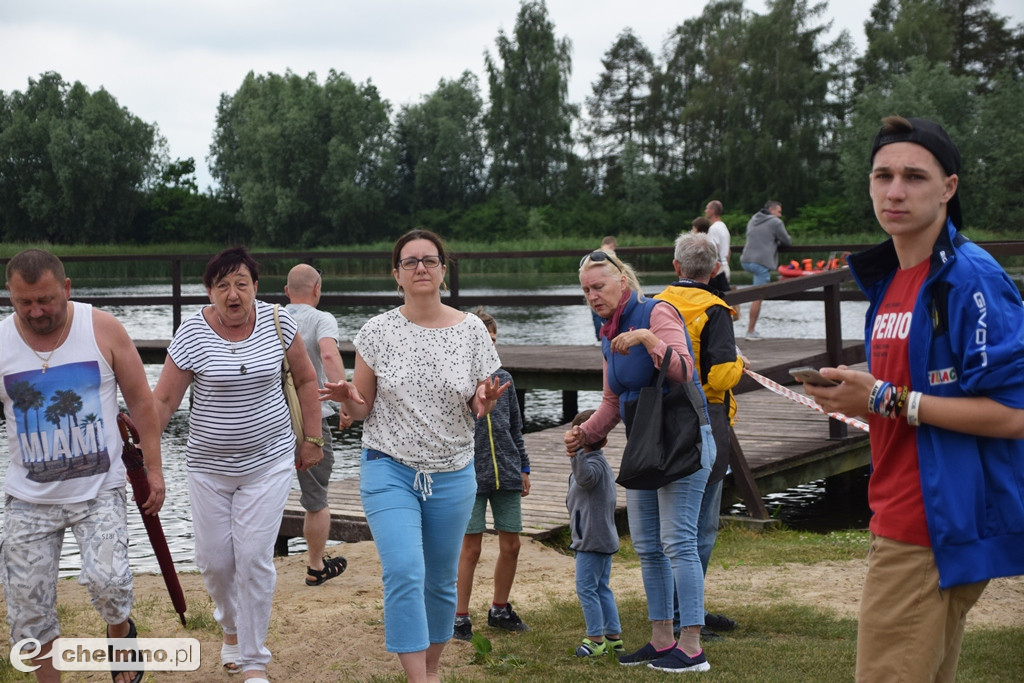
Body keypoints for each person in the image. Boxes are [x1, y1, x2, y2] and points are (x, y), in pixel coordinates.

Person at [800, 116, 1024, 682]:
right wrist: (859, 397)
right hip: (900, 509)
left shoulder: (969, 278)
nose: (895, 191)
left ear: (948, 187)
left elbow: (1013, 415)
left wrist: (885, 399)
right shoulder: (894, 278)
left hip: (930, 524)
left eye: (914, 177)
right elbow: (903, 393)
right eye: (883, 175)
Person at [318, 229, 508, 683]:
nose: (420, 268)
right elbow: (361, 407)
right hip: (388, 467)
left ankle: (432, 669)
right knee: (404, 569)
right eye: (410, 262)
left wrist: (483, 401)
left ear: (444, 269)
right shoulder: (378, 331)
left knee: (440, 581)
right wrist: (348, 395)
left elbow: (480, 400)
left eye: (429, 259)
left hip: (453, 472)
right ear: (396, 275)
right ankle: (417, 679)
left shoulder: (472, 332)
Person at [153, 247, 323, 683]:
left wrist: (312, 440)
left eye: (241, 283)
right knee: (214, 561)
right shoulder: (191, 332)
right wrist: (141, 443)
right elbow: (166, 400)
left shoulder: (278, 322)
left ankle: (253, 660)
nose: (233, 294)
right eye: (222, 285)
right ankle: (229, 625)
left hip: (269, 462)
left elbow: (305, 378)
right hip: (208, 468)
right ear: (209, 291)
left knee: (253, 558)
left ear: (256, 288)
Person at [0, 248, 164, 683]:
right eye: (24, 302)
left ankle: (120, 630)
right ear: (9, 296)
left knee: (110, 585)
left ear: (67, 288)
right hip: (28, 498)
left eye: (46, 300)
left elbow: (142, 403)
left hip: (99, 490)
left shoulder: (102, 328)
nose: (36, 311)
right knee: (28, 611)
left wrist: (155, 470)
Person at [564, 250, 715, 673]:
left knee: (678, 542)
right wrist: (583, 436)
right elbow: (613, 402)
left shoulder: (657, 312)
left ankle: (691, 647)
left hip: (684, 443)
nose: (593, 296)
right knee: (648, 546)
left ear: (622, 284)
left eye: (599, 287)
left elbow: (684, 370)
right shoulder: (607, 333)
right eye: (586, 291)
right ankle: (662, 638)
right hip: (647, 447)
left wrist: (649, 340)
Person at [654, 232, 744, 639]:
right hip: (705, 415)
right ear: (715, 270)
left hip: (662, 415)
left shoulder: (656, 303)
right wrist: (739, 362)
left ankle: (675, 609)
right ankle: (688, 612)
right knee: (702, 522)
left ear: (676, 268)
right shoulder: (715, 309)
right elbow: (720, 375)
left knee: (671, 520)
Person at [454, 308, 531, 641]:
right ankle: (459, 617)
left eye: (494, 341)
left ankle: (500, 609)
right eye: (483, 342)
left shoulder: (506, 379)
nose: (490, 348)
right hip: (470, 476)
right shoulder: (458, 379)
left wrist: (524, 467)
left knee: (511, 544)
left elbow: (516, 427)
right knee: (470, 549)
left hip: (508, 474)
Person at [284, 263, 353, 587]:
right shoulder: (321, 319)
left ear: (287, 292)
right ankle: (314, 566)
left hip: (271, 419)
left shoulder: (272, 317)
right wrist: (343, 397)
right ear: (317, 289)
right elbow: (327, 354)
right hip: (311, 420)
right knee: (316, 498)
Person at [565, 409, 623, 659]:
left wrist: (576, 454)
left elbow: (585, 479)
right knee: (601, 588)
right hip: (599, 537)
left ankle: (595, 639)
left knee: (586, 589)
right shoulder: (599, 462)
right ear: (606, 440)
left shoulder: (593, 465)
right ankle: (613, 638)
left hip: (591, 540)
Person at [739, 200, 791, 339]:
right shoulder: (775, 222)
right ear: (772, 210)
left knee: (753, 293)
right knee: (758, 296)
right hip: (761, 263)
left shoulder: (753, 219)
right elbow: (787, 241)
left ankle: (749, 329)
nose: (780, 215)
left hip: (746, 260)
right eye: (779, 212)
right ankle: (750, 331)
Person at [704, 200, 732, 294]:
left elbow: (713, 250)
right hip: (725, 266)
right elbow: (728, 251)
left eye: (707, 208)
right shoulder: (723, 226)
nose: (705, 210)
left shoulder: (713, 229)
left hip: (718, 269)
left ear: (713, 210)